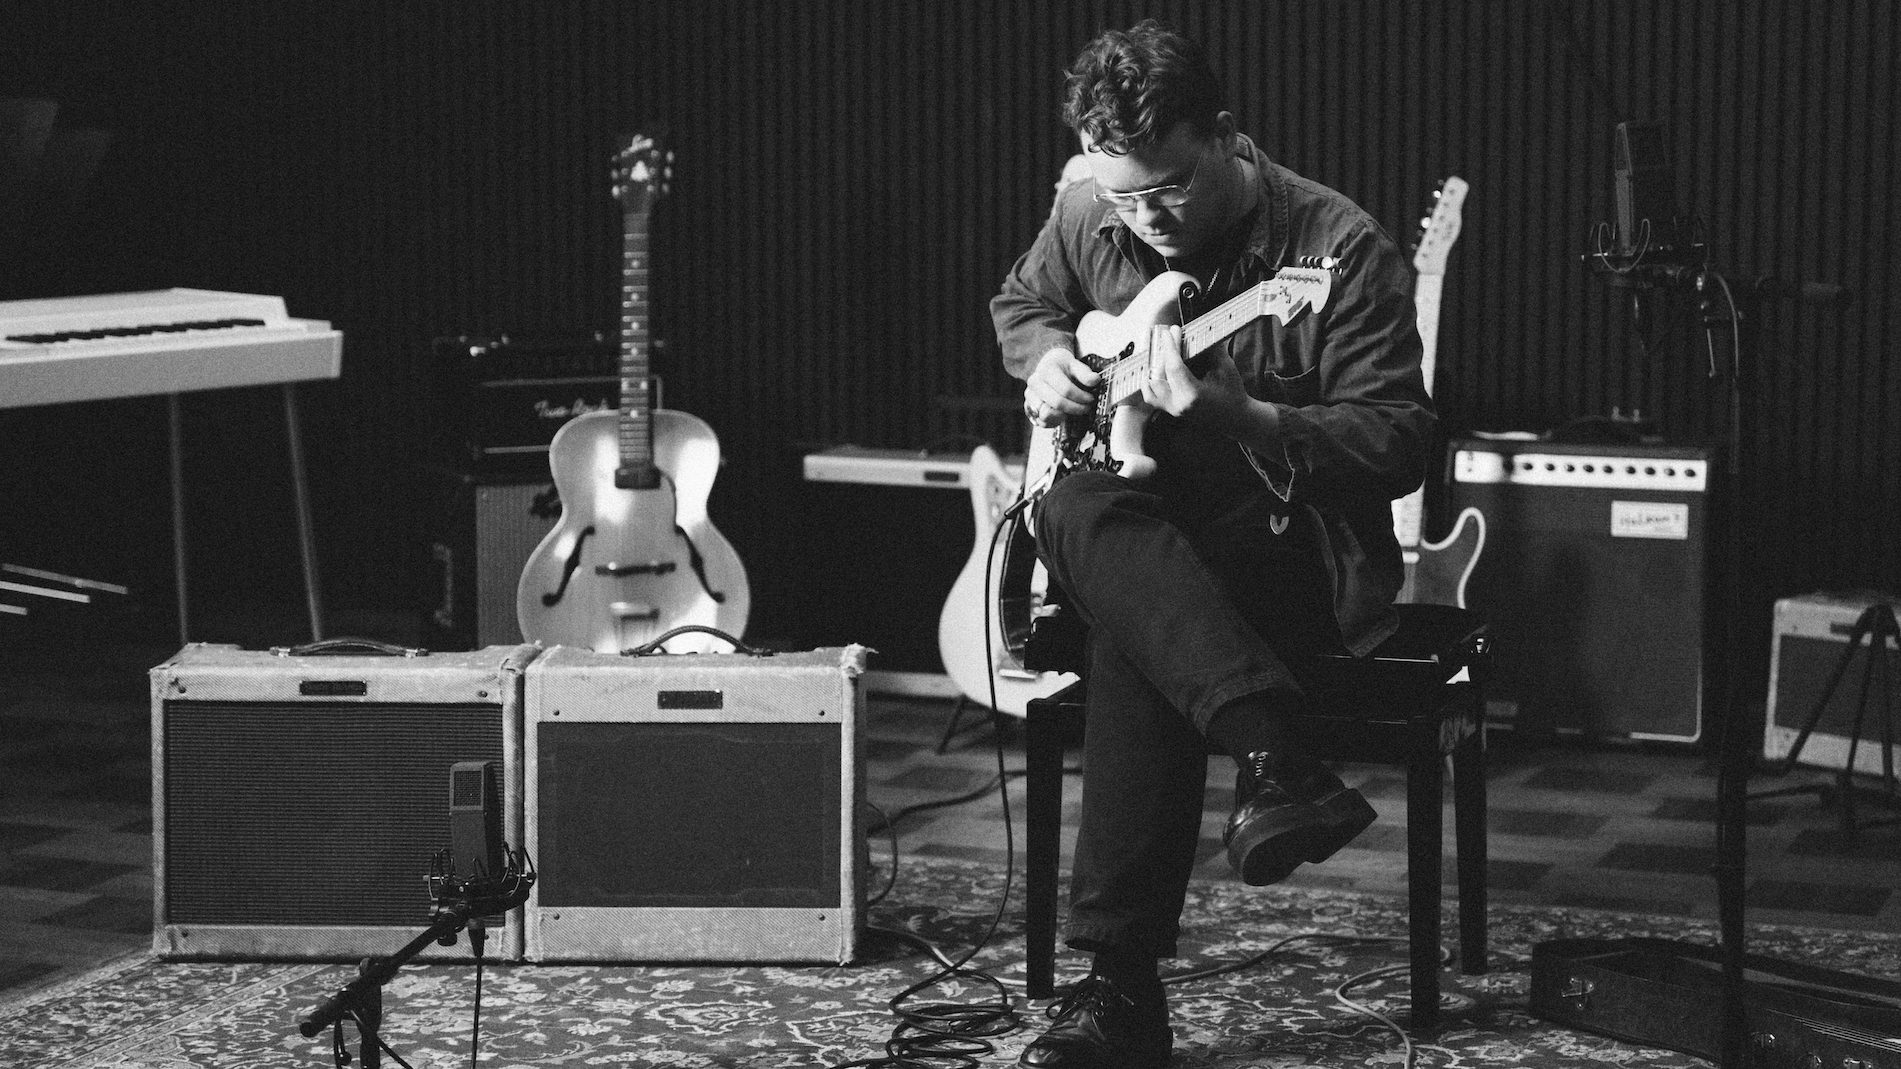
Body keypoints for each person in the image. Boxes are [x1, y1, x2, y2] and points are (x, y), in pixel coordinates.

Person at [991, 20, 1434, 1069]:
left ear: (1226, 137)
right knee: (1080, 515)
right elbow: (1022, 304)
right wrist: (1047, 357)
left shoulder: (1337, 248)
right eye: (1123, 199)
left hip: (1296, 562)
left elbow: (1399, 442)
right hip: (1158, 555)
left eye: (1169, 189)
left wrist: (1247, 420)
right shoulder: (1084, 205)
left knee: (1127, 602)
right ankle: (1276, 760)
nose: (1144, 219)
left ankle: (1119, 991)